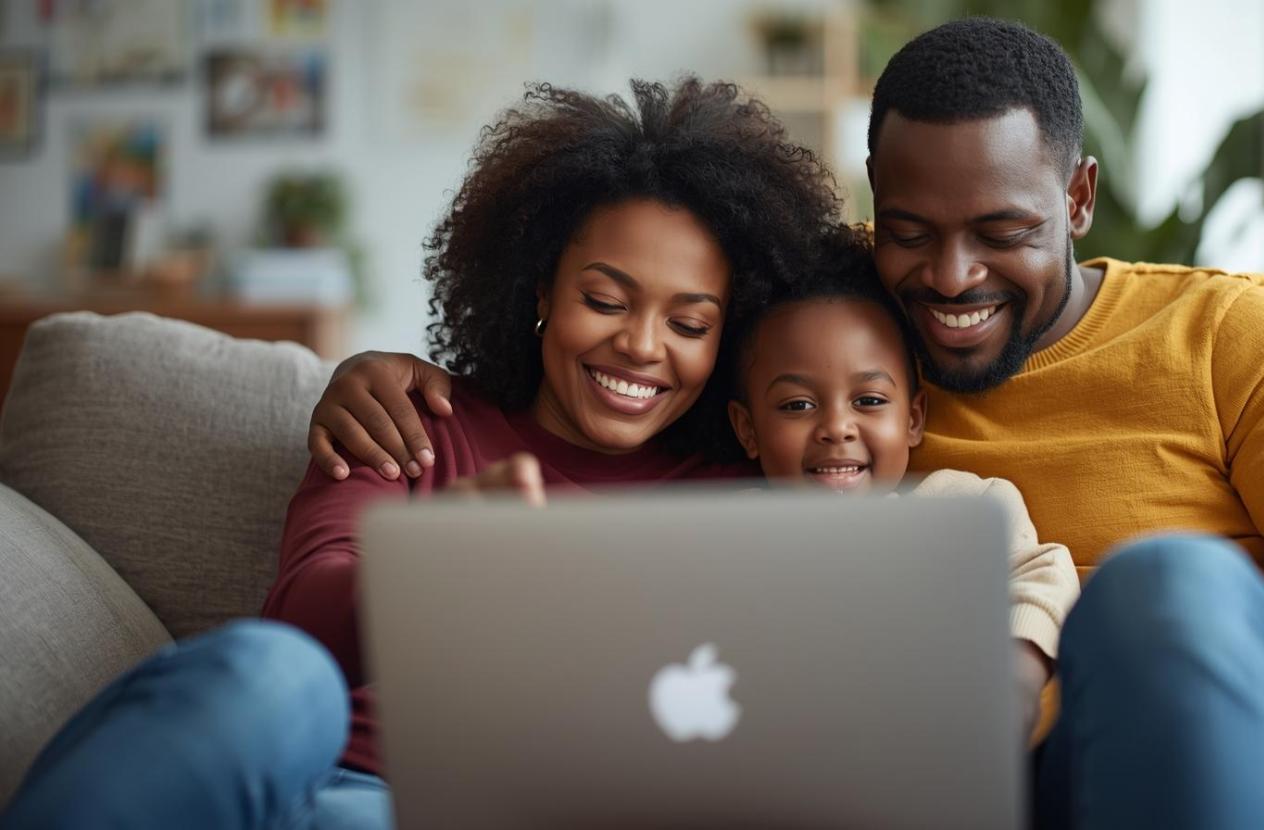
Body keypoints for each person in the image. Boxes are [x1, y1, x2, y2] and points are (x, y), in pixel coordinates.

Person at [313, 19, 1264, 830]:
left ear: (1077, 197)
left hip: (1210, 765)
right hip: (963, 798)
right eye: (912, 226)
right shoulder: (818, 342)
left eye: (1003, 229)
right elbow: (634, 368)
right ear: (872, 193)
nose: (951, 274)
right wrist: (385, 373)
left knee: (1157, 586)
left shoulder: (1225, 334)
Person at [0, 77, 843, 830]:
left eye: (690, 324)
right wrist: (432, 564)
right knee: (272, 674)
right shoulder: (410, 419)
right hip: (333, 777)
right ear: (541, 287)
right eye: (604, 299)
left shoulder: (745, 484)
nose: (641, 346)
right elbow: (301, 623)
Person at [723, 227, 1079, 739]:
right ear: (748, 430)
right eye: (797, 405)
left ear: (913, 419)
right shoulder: (724, 531)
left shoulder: (964, 507)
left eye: (868, 401)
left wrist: (1014, 680)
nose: (837, 427)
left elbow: (1042, 574)